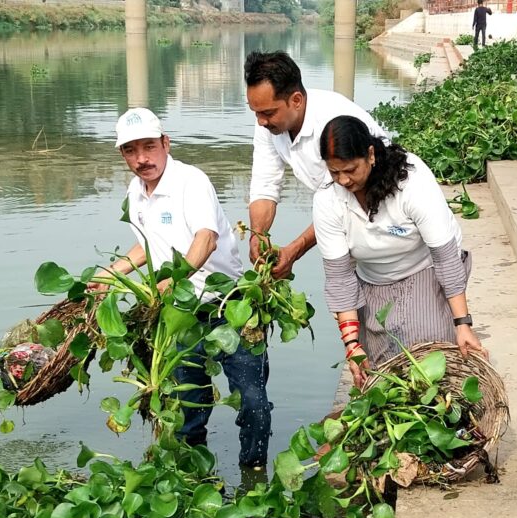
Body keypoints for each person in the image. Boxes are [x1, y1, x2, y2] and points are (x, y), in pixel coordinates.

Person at [96, 107, 271, 469]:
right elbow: (146, 247)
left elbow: (205, 240)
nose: (142, 159)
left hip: (230, 307)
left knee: (252, 401)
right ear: (122, 154)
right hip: (180, 315)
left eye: (149, 146)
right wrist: (110, 275)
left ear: (165, 143)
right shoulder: (135, 192)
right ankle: (192, 480)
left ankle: (254, 479)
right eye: (131, 151)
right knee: (186, 403)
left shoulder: (191, 181)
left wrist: (171, 282)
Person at [312, 115, 486, 388]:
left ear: (370, 154)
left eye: (350, 170)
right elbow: (340, 278)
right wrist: (352, 345)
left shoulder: (411, 180)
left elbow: (445, 256)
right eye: (335, 173)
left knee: (430, 352)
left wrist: (462, 323)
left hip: (423, 267)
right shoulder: (327, 200)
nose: (343, 180)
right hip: (372, 279)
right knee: (387, 371)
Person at [245, 50, 389, 279]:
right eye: (256, 112)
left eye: (268, 113)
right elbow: (265, 184)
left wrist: (295, 250)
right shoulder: (268, 124)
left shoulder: (332, 122)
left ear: (296, 100)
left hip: (383, 217)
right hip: (344, 220)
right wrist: (257, 234)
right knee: (345, 301)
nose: (261, 121)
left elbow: (340, 198)